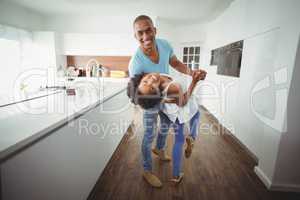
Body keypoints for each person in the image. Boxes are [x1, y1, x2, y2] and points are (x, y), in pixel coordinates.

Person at [129, 14, 206, 188]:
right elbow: (137, 94)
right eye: (140, 33)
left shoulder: (164, 45)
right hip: (149, 100)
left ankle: (160, 150)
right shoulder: (136, 63)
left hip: (164, 92)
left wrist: (191, 73)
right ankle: (147, 170)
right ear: (136, 36)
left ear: (154, 30)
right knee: (149, 135)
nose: (146, 36)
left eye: (148, 30)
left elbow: (176, 62)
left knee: (165, 126)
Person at [127, 71, 202, 183]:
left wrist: (164, 99)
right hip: (184, 108)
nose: (151, 80)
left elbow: (160, 96)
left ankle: (175, 174)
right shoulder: (171, 87)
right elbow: (183, 101)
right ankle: (192, 137)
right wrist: (195, 81)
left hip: (173, 114)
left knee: (178, 139)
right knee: (196, 116)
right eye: (152, 87)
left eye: (146, 81)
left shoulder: (160, 81)